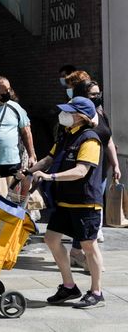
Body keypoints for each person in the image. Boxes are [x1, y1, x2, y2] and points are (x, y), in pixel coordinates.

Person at [17, 97, 105, 309]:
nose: (63, 115)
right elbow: (48, 159)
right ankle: (69, 286)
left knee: (88, 246)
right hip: (65, 200)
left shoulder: (90, 139)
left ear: (80, 116)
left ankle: (96, 292)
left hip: (85, 202)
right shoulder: (66, 135)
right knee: (51, 238)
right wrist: (28, 172)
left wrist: (50, 177)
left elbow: (81, 171)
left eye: (68, 112)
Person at [68, 79, 122, 270]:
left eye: (98, 93)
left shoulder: (101, 113)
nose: (97, 97)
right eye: (93, 94)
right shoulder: (75, 116)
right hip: (84, 170)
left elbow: (108, 140)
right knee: (87, 213)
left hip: (101, 170)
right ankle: (82, 254)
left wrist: (115, 165)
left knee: (92, 213)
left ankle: (77, 251)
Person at [0, 76, 37, 193]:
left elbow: (26, 132)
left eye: (9, 89)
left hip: (13, 161)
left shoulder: (15, 107)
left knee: (13, 198)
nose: (8, 92)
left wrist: (31, 155)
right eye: (5, 90)